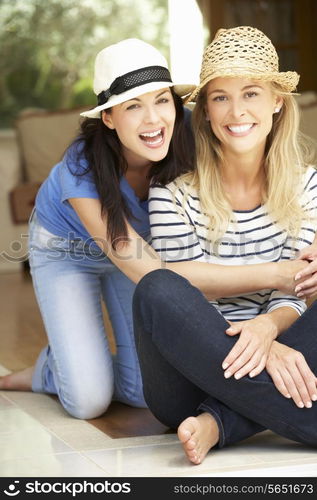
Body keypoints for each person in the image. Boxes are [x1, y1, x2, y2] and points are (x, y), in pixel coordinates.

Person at [0, 36, 315, 420]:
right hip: (73, 253)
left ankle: (80, 360)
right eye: (133, 106)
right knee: (88, 401)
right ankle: (55, 366)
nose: (153, 120)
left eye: (161, 100)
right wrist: (280, 274)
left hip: (149, 249)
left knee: (139, 392)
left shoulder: (192, 127)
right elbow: (156, 279)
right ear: (109, 117)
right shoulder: (79, 170)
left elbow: (273, 173)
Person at [132, 26, 317, 465]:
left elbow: (301, 286)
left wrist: (269, 330)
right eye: (221, 97)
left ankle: (222, 422)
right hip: (191, 375)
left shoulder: (309, 186)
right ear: (207, 112)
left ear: (276, 102)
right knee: (156, 288)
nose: (237, 111)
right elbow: (185, 287)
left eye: (251, 93)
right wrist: (262, 339)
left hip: (287, 347)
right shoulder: (172, 193)